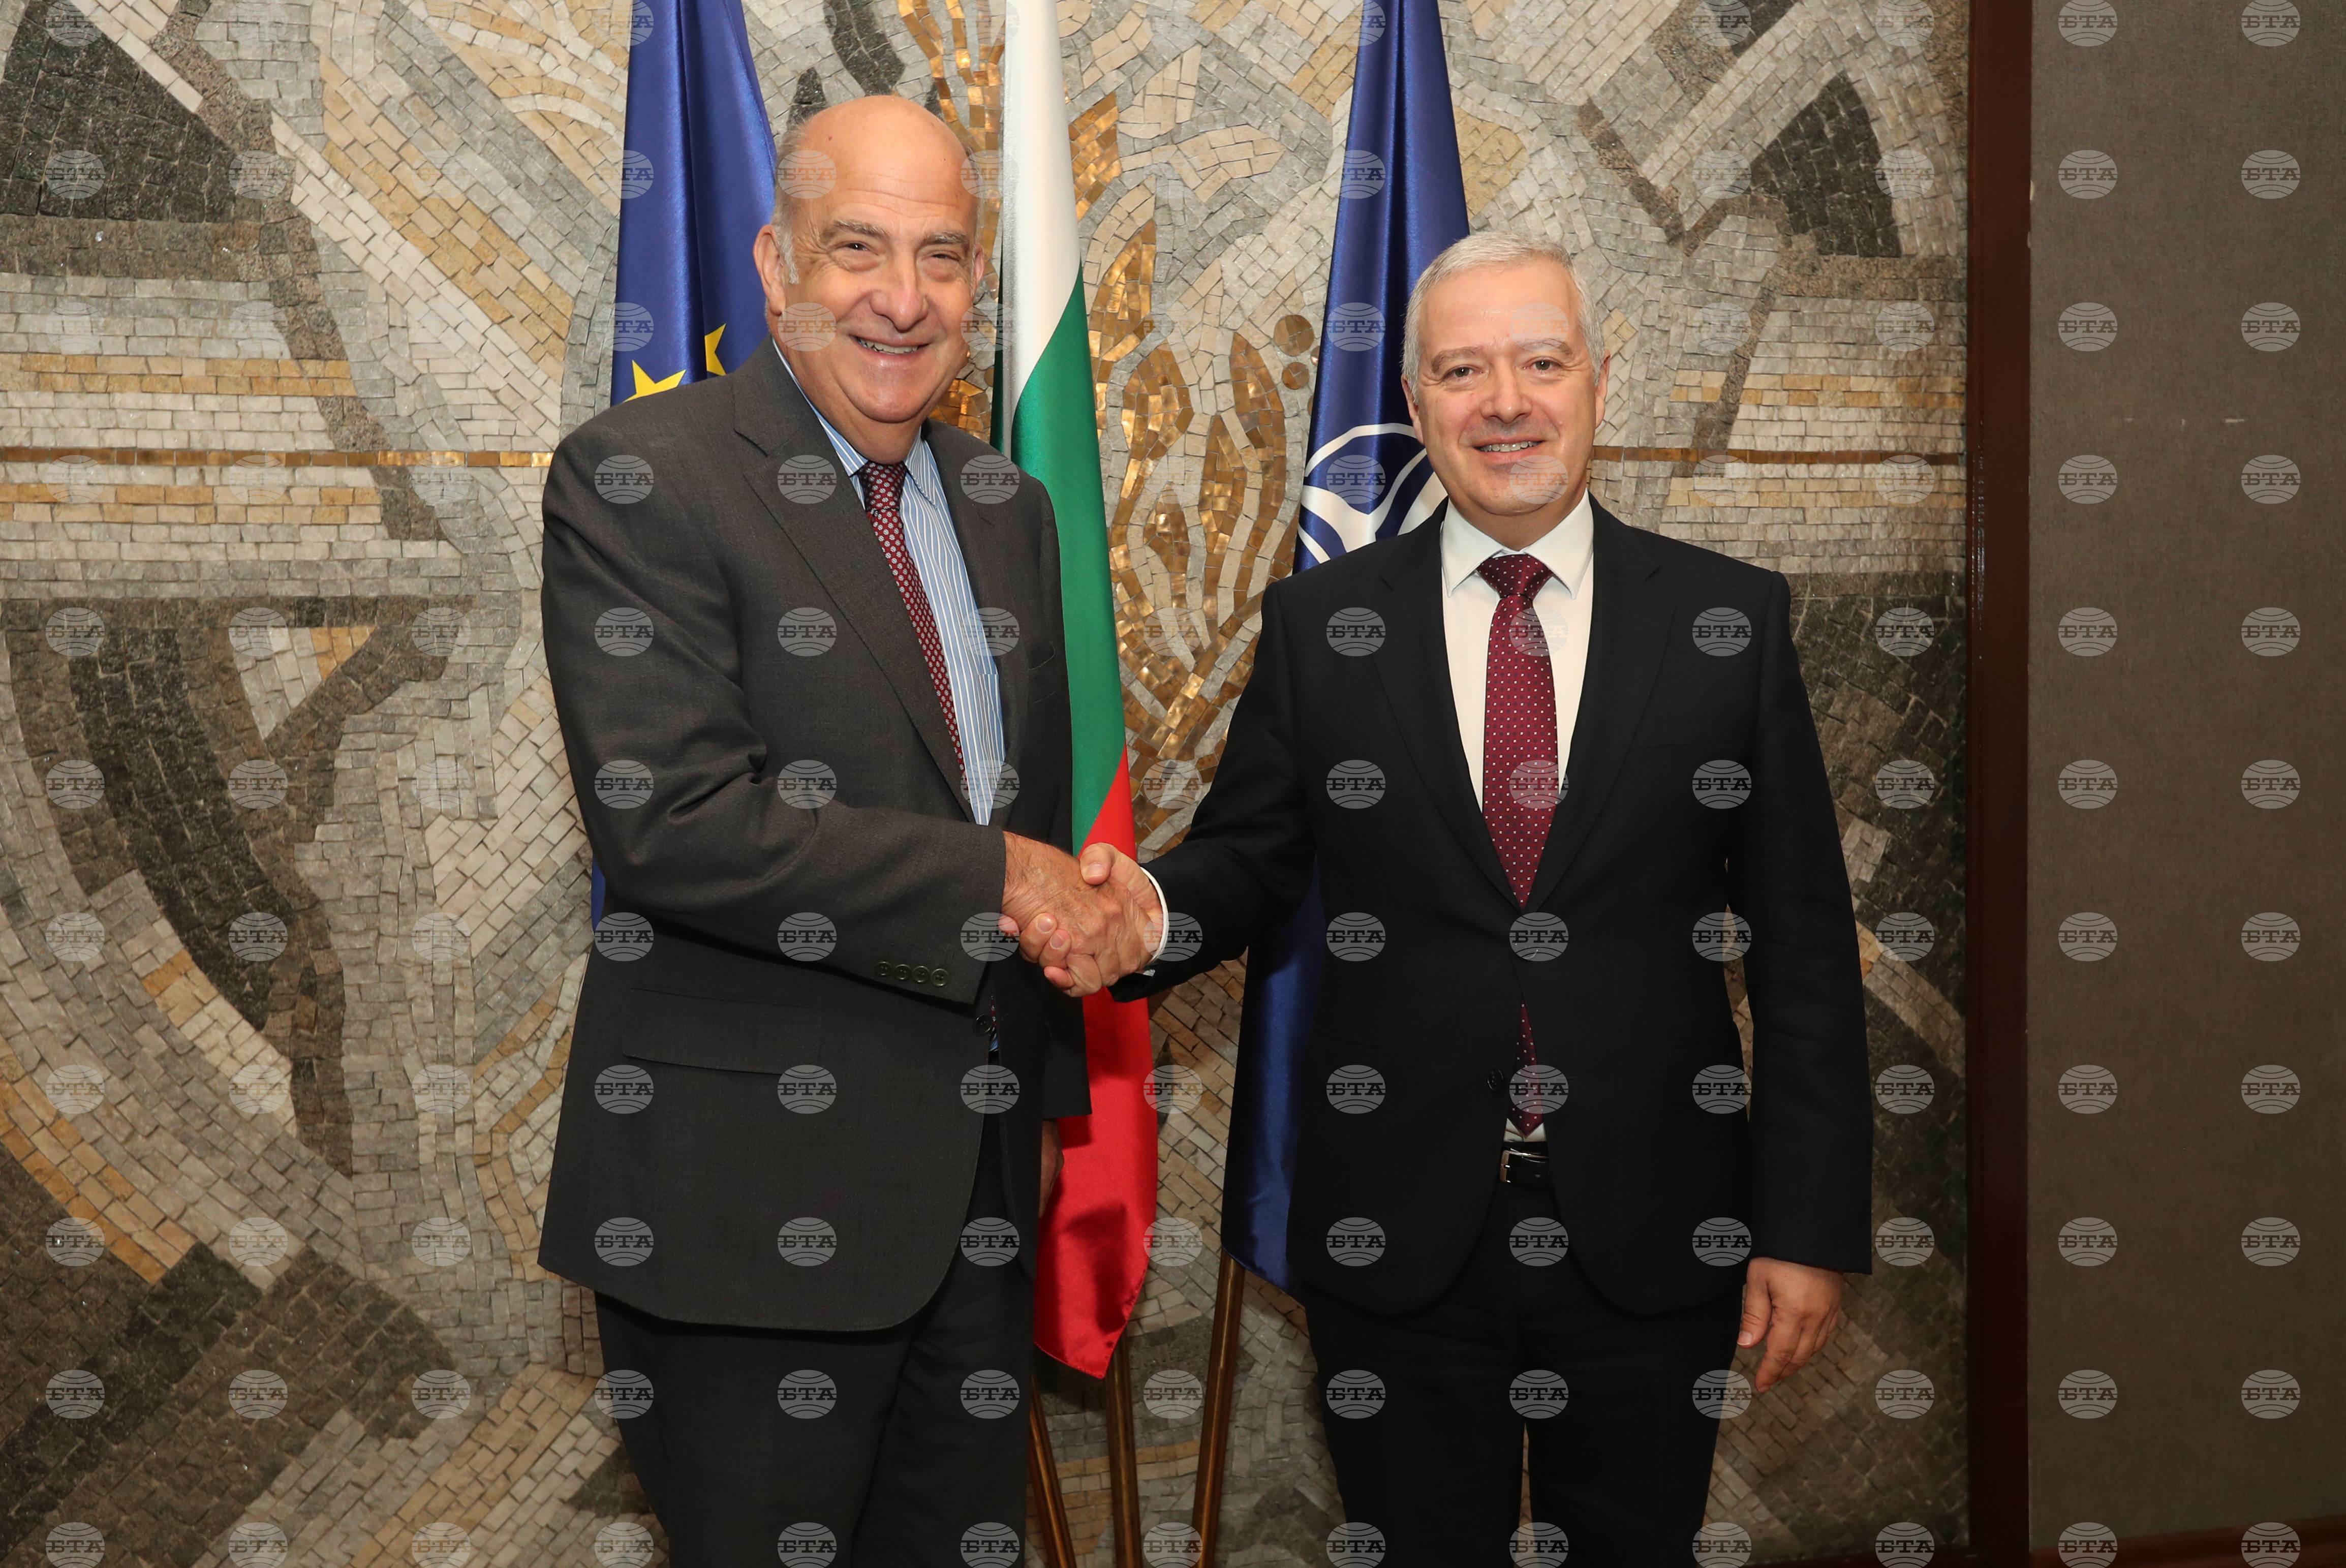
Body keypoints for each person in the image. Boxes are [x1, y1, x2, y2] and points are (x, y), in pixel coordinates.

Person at [1018, 230, 1872, 1561]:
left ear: (1600, 381)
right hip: (1398, 1236)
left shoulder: (1728, 624)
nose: (1506, 402)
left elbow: (1806, 952)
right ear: (1418, 406)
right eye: (1465, 371)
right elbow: (1250, 861)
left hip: (1659, 1231)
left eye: (1542, 362)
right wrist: (1145, 917)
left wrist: (1808, 1227)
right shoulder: (1324, 627)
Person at [535, 95, 1154, 1566]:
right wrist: (1004, 878)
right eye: (857, 248)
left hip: (978, 1210)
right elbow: (675, 822)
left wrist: (1044, 1107)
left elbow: (1030, 812)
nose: (903, 298)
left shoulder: (1008, 506)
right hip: (747, 1217)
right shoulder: (643, 473)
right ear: (776, 264)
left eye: (942, 257)